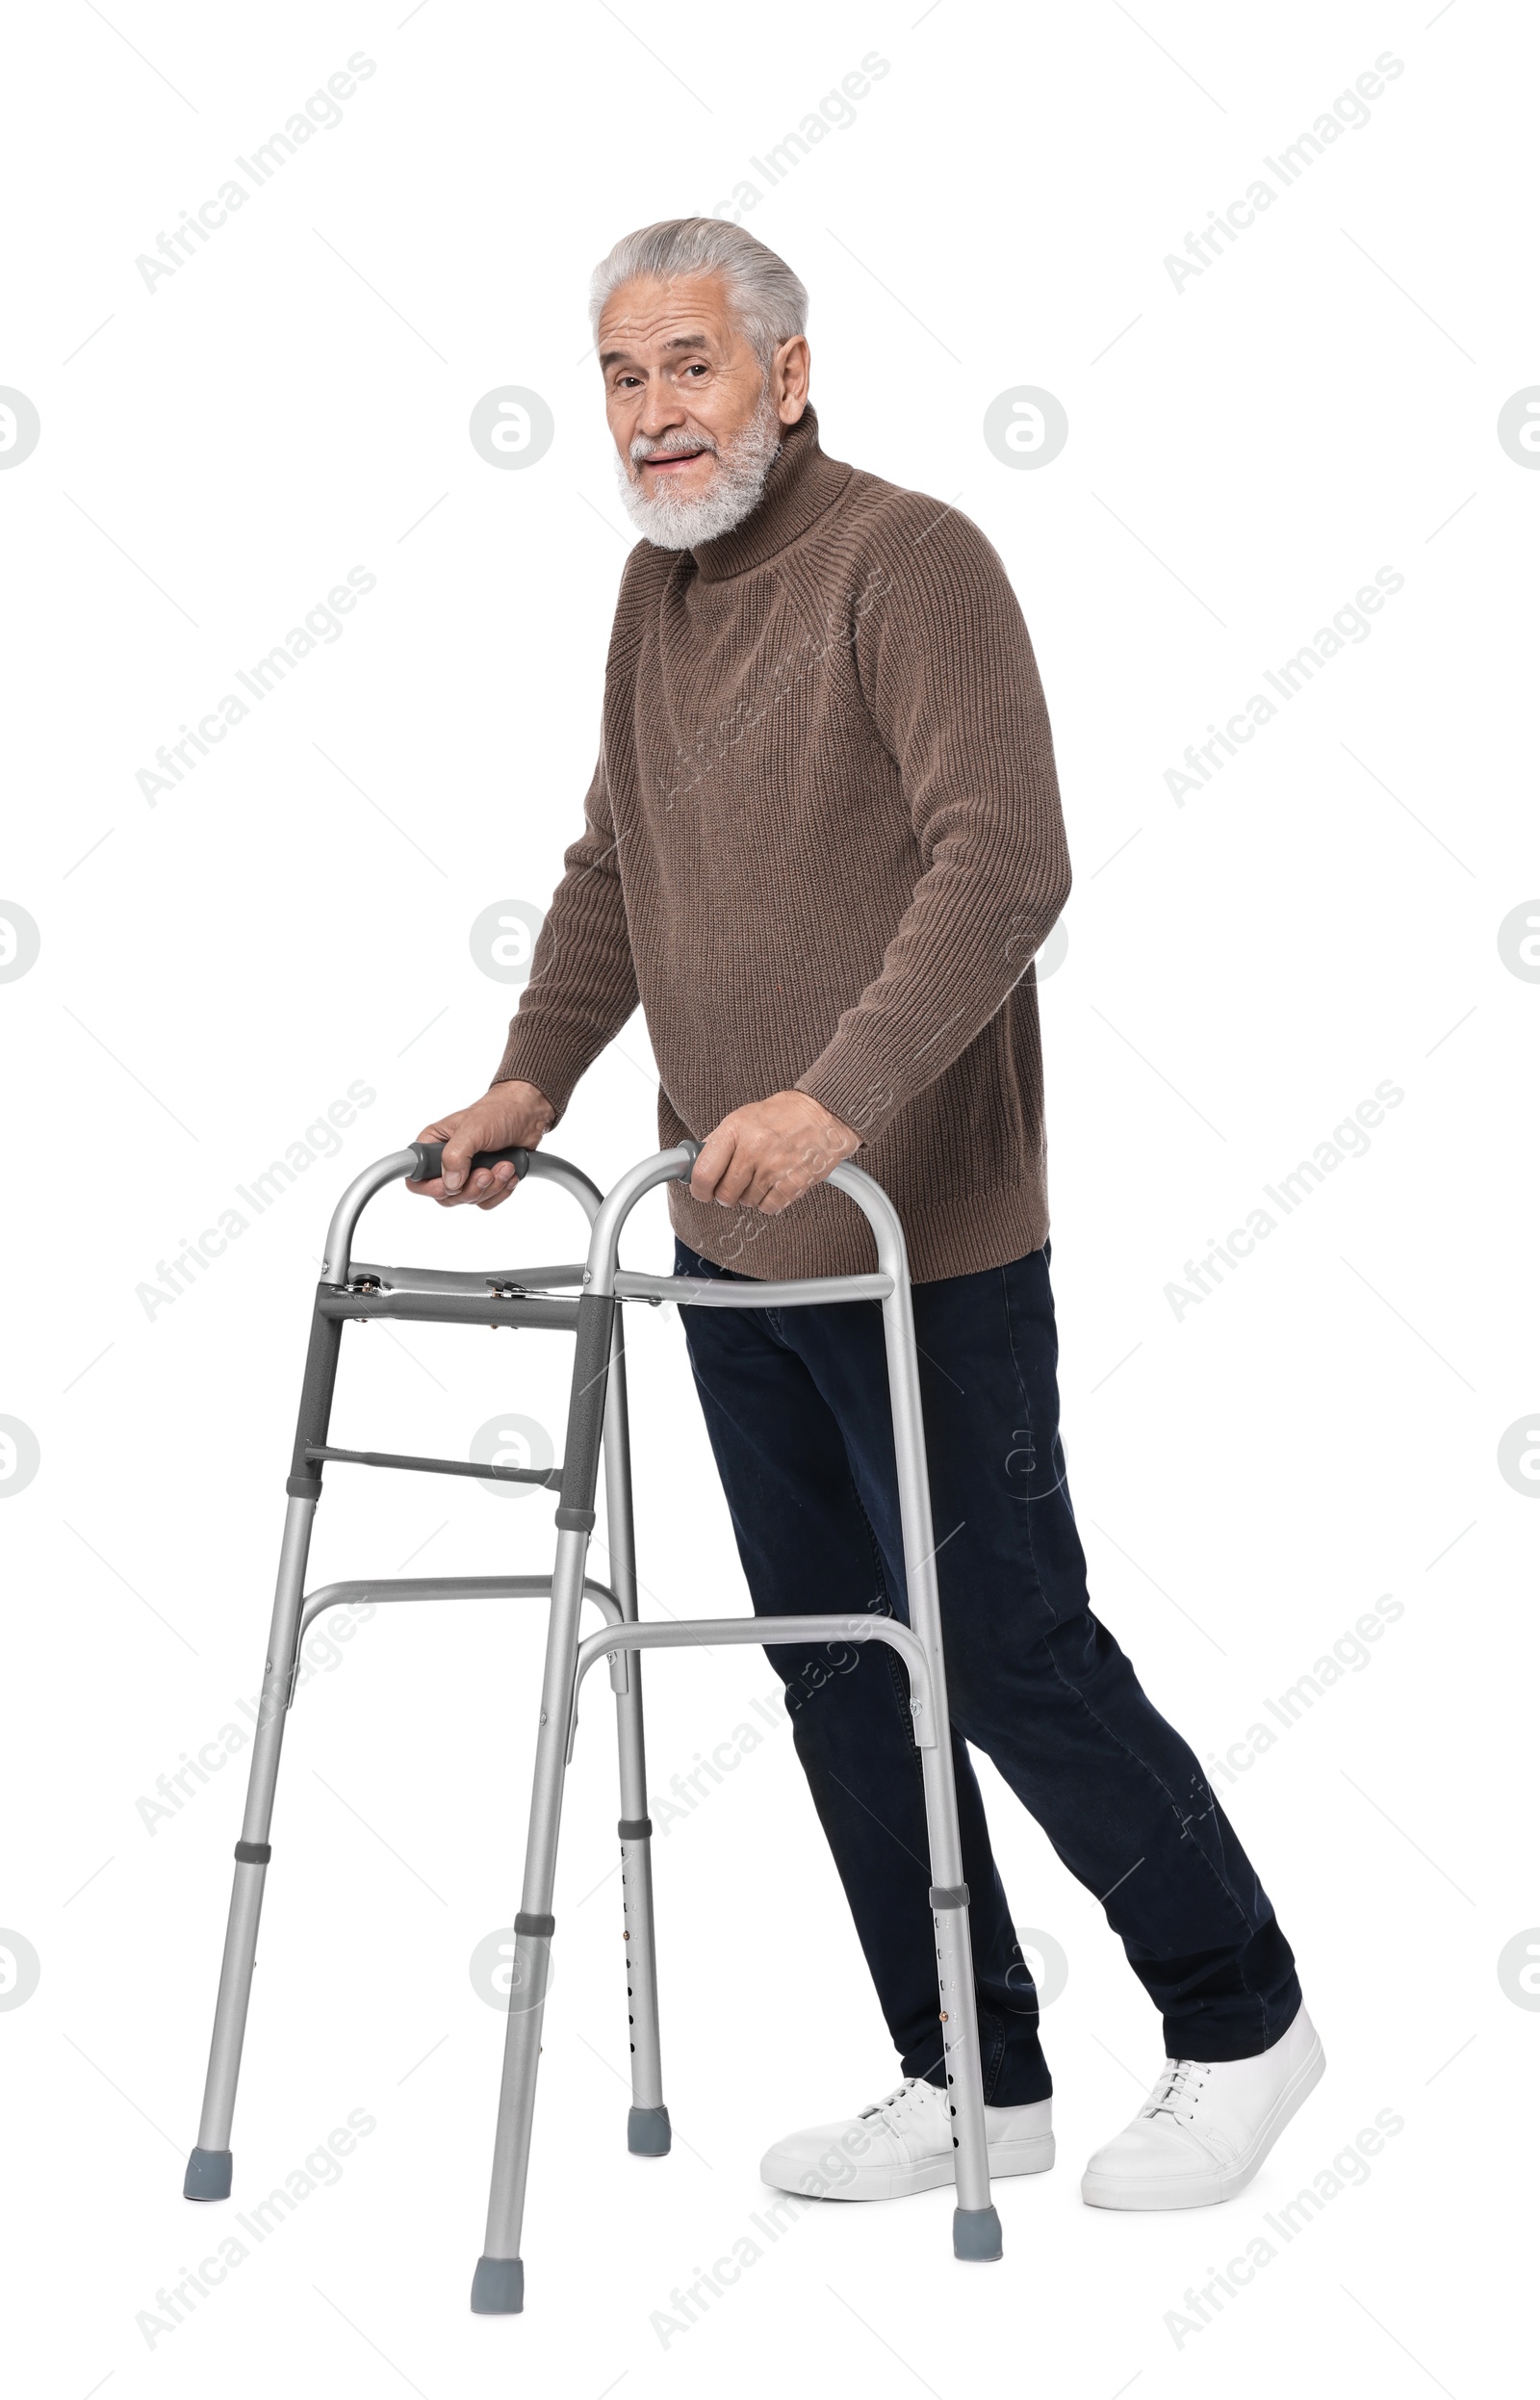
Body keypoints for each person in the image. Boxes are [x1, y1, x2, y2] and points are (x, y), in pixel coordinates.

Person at [410, 218, 1322, 2213]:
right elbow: (609, 866)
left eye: (689, 369)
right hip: (723, 1243)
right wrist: (531, 1074)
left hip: (925, 1237)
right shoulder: (652, 598)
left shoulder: (905, 562)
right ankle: (965, 2068)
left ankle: (1240, 2017)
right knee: (835, 1660)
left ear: (787, 376)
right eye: (624, 379)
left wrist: (835, 1098)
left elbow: (1003, 865)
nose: (655, 415)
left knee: (1002, 1642)